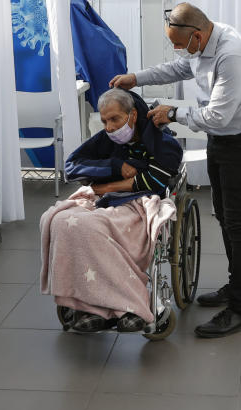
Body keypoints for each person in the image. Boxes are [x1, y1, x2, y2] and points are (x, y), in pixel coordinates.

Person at [108, 3, 241, 339]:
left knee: (239, 223)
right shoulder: (204, 40)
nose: (179, 50)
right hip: (225, 140)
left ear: (197, 34)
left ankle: (240, 308)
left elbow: (217, 117)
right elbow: (179, 68)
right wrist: (136, 78)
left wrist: (174, 114)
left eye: (181, 44)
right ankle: (240, 286)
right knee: (225, 217)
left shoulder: (232, 55)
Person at [49, 88, 182, 333]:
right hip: (104, 201)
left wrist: (107, 184)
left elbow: (154, 181)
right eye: (104, 121)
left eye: (114, 120)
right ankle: (88, 304)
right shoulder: (106, 140)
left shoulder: (164, 143)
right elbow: (71, 167)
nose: (109, 128)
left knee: (91, 227)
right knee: (59, 220)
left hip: (138, 203)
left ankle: (129, 305)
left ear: (132, 116)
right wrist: (115, 165)